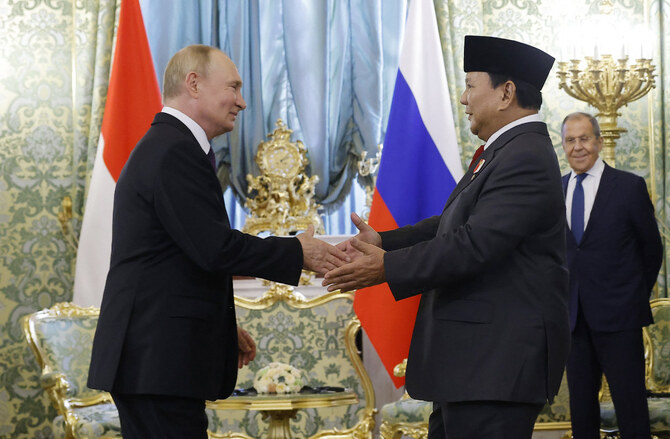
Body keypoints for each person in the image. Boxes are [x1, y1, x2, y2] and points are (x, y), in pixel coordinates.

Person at [87, 44, 348, 439]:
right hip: (157, 360)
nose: (242, 102)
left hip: (156, 359)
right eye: (233, 87)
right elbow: (214, 249)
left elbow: (181, 258)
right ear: (194, 84)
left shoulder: (171, 145)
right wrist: (297, 251)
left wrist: (221, 328)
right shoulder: (174, 150)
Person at [323, 35, 570, 439]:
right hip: (473, 367)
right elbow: (451, 224)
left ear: (506, 93)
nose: (463, 98)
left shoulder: (524, 155)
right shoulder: (506, 150)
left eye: (471, 85)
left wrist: (385, 267)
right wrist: (384, 242)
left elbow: (474, 244)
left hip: (494, 366)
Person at [561, 112, 663, 439]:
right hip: (573, 321)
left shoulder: (629, 187)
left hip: (620, 319)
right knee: (581, 411)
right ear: (563, 145)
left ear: (599, 141)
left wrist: (631, 298)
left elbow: (652, 250)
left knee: (631, 408)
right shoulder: (555, 190)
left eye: (584, 138)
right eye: (570, 140)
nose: (577, 147)